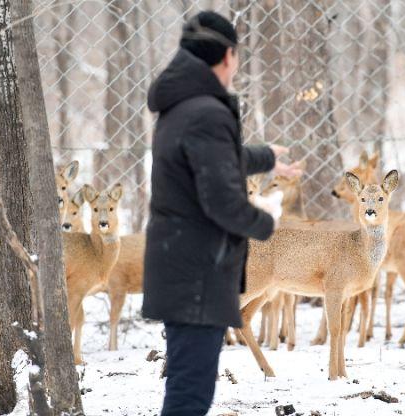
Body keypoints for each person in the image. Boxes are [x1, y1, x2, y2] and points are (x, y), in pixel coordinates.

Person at [142, 11, 302, 416]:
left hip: (179, 264)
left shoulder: (181, 107)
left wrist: (265, 158)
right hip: (199, 272)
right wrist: (267, 221)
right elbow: (223, 202)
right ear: (228, 56)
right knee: (190, 396)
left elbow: (212, 159)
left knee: (185, 387)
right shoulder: (207, 114)